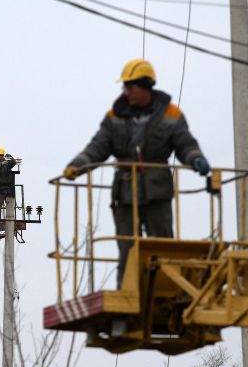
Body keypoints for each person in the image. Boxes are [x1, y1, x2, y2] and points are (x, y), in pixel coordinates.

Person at [63, 59, 210, 287]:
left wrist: (196, 159)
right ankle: (127, 291)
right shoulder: (115, 116)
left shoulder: (171, 114)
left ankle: (166, 289)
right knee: (127, 247)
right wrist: (77, 165)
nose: (127, 92)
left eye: (131, 87)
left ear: (146, 86)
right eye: (125, 87)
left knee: (163, 244)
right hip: (124, 191)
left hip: (157, 189)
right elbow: (98, 146)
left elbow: (185, 144)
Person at [0, 147, 17, 221]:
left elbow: (14, 162)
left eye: (2, 155)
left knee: (10, 205)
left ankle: (10, 220)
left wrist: (9, 156)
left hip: (8, 188)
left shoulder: (7, 164)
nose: (1, 156)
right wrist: (2, 164)